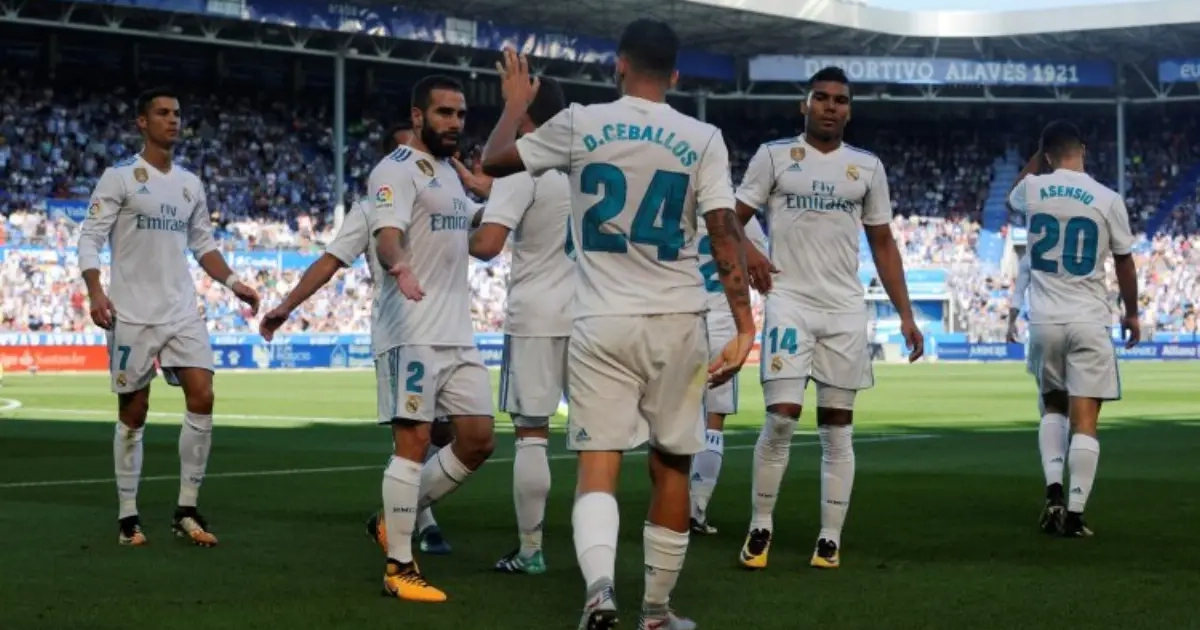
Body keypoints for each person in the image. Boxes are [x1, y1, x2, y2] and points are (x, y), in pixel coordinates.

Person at [481, 20, 756, 630]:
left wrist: (515, 105)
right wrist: (743, 325)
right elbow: (722, 231)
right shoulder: (704, 137)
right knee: (672, 465)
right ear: (676, 75)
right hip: (679, 320)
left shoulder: (580, 121)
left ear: (619, 65)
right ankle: (655, 612)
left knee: (598, 465)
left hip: (601, 319)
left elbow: (494, 162)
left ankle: (599, 593)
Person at [732, 66, 923, 571]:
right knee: (781, 418)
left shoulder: (867, 167)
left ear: (849, 111)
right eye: (821, 97)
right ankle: (760, 524)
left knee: (837, 429)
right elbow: (729, 218)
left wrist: (906, 315)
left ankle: (829, 538)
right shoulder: (773, 156)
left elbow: (883, 243)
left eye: (840, 100)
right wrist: (751, 253)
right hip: (789, 301)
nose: (830, 107)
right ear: (805, 105)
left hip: (844, 310)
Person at [257, 124, 453, 556]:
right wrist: (286, 306)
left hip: (449, 329)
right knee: (414, 434)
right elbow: (330, 262)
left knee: (457, 432)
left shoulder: (443, 198)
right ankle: (421, 521)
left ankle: (402, 509)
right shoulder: (369, 210)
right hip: (403, 330)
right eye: (405, 151)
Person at [77, 86, 260, 548]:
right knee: (134, 411)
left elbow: (203, 245)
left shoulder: (189, 184)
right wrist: (96, 291)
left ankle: (186, 510)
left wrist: (233, 282)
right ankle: (128, 517)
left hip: (181, 309)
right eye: (162, 113)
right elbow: (89, 238)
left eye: (177, 113)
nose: (173, 120)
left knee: (203, 393)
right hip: (132, 312)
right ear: (142, 122)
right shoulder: (119, 177)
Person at [366, 74, 496, 603]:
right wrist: (399, 266)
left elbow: (481, 239)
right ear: (418, 116)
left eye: (461, 114)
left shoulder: (448, 174)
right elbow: (387, 235)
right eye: (444, 112)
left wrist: (500, 194)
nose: (455, 122)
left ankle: (391, 518)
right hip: (412, 328)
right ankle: (399, 566)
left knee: (478, 438)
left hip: (457, 332)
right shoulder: (394, 170)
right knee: (414, 442)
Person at [1006, 120, 1140, 537]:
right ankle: (1076, 516)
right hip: (1088, 319)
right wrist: (1132, 313)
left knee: (1052, 407)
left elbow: (1013, 194)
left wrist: (1039, 154)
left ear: (1046, 155)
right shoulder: (1108, 198)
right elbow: (1124, 261)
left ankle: (1053, 495)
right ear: (1083, 149)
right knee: (1085, 421)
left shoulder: (1032, 189)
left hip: (1045, 321)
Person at [468, 77, 571, 575]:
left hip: (536, 314)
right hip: (591, 313)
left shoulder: (521, 164)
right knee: (599, 442)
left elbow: (488, 245)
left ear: (524, 112)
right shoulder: (585, 160)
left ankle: (531, 551)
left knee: (532, 433)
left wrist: (445, 233)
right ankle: (599, 549)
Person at [689, 215, 769, 536]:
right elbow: (758, 269)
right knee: (714, 421)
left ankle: (669, 509)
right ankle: (696, 509)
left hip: (682, 317)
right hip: (724, 323)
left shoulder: (678, 202)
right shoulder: (740, 217)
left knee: (671, 420)